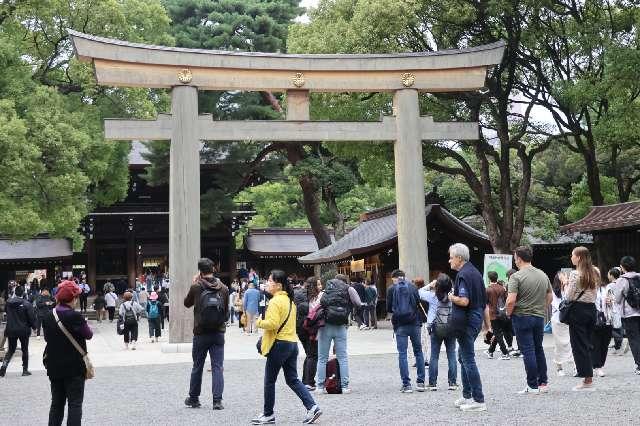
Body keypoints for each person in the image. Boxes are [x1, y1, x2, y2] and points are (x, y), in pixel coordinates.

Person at [252, 270, 322, 425]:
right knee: (293, 379)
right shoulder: (290, 301)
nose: (267, 283)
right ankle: (312, 407)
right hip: (291, 344)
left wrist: (258, 322)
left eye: (269, 281)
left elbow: (272, 324)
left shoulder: (276, 302)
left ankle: (268, 414)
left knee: (269, 380)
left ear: (278, 285)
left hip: (279, 344)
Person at [42, 280, 93, 426]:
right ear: (73, 298)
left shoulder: (48, 316)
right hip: (74, 367)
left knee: (56, 404)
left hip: (54, 366)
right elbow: (88, 334)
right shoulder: (75, 316)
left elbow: (47, 338)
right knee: (75, 404)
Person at [448, 243, 490, 412]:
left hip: (466, 320)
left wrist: (451, 297)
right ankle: (467, 395)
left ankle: (478, 399)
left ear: (459, 258)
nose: (449, 260)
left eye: (451, 257)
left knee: (468, 358)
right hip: (476, 317)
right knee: (462, 356)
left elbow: (464, 301)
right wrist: (488, 326)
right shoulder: (476, 273)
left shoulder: (463, 275)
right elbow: (484, 303)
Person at [506, 245, 552, 395]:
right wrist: (542, 308)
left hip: (521, 316)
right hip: (538, 316)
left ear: (518, 259)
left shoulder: (516, 277)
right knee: (538, 348)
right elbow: (550, 296)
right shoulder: (542, 274)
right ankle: (543, 382)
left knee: (528, 350)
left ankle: (532, 385)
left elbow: (511, 300)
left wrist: (508, 313)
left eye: (515, 258)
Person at [184, 258, 229, 410]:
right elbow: (226, 313)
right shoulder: (223, 288)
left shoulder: (197, 286)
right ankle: (217, 401)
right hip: (218, 333)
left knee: (197, 366)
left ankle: (194, 398)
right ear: (214, 269)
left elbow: (187, 303)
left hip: (200, 333)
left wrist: (194, 282)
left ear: (200, 271)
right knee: (217, 367)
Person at [315, 274, 363, 394]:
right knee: (342, 357)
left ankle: (320, 387)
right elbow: (358, 303)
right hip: (341, 326)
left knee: (322, 358)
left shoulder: (325, 291)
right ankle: (345, 386)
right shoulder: (349, 289)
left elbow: (317, 307)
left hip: (325, 326)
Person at [565, 246, 599, 391]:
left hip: (578, 311)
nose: (571, 257)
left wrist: (565, 283)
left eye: (572, 255)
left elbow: (569, 296)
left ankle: (587, 379)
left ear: (578, 257)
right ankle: (589, 375)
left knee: (578, 345)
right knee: (587, 343)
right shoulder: (596, 271)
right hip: (591, 309)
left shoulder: (574, 274)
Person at [387, 269, 425, 393]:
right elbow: (418, 302)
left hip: (400, 325)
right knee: (418, 352)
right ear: (404, 277)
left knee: (402, 354)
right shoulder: (413, 287)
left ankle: (406, 384)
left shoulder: (391, 289)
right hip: (414, 323)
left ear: (395, 278)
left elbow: (389, 308)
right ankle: (420, 382)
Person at [426, 274, 458, 391]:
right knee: (452, 355)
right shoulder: (453, 295)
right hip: (451, 327)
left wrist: (430, 285)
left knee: (434, 355)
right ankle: (452, 383)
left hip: (436, 328)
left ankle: (432, 383)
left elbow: (418, 292)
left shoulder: (433, 296)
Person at [611, 255, 640, 375]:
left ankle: (639, 365)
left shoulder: (622, 280)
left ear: (622, 267)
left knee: (634, 339)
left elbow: (617, 299)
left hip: (629, 314)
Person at [0, 286, 36, 377]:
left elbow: (6, 312)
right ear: (23, 293)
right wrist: (34, 327)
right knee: (25, 349)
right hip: (23, 330)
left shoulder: (8, 303)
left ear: (15, 292)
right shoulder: (26, 304)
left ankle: (3, 367)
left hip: (11, 329)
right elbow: (31, 318)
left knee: (11, 350)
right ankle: (25, 370)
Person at [295, 277, 321, 391]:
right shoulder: (314, 298)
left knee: (309, 354)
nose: (321, 287)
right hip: (310, 329)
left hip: (300, 328)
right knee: (313, 355)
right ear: (314, 286)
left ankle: (305, 380)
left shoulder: (300, 295)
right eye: (319, 285)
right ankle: (309, 382)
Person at [550, 272, 574, 376]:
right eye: (563, 277)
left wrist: (567, 285)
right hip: (558, 320)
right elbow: (559, 305)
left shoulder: (568, 289)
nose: (565, 278)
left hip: (569, 320)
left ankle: (575, 366)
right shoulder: (553, 292)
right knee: (559, 345)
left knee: (572, 343)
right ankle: (559, 367)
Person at [592, 269, 614, 377]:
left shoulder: (605, 288)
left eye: (597, 275)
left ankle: (600, 364)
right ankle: (597, 366)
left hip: (606, 318)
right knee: (595, 343)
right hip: (593, 319)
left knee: (605, 343)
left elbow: (613, 301)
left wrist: (610, 301)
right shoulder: (587, 289)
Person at [484, 272, 511, 360]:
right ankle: (490, 351)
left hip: (493, 314)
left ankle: (505, 353)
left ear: (489, 279)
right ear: (497, 278)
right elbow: (506, 299)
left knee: (498, 334)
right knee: (497, 332)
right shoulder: (502, 288)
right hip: (503, 313)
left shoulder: (488, 289)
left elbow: (485, 303)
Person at [607, 268, 627, 355]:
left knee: (613, 329)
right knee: (619, 328)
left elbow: (608, 299)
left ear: (611, 275)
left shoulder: (610, 286)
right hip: (622, 309)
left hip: (613, 309)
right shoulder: (622, 283)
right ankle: (618, 346)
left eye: (608, 274)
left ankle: (621, 343)